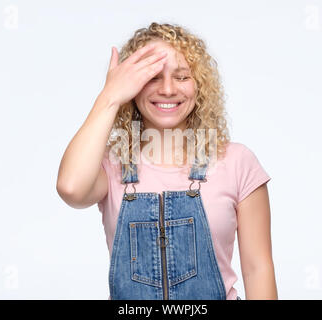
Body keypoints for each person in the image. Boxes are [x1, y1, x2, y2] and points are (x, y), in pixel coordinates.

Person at [56, 22, 278, 300]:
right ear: (132, 87)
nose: (169, 89)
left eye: (182, 77)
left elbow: (258, 269)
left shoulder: (237, 161)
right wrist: (109, 97)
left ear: (200, 85)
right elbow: (70, 188)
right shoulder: (111, 164)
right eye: (153, 77)